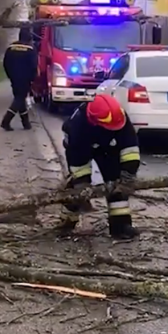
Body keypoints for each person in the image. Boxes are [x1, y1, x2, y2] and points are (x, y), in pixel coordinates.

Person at [58, 93, 141, 240]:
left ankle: (121, 226)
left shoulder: (120, 117)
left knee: (116, 182)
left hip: (108, 147)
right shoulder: (77, 126)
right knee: (77, 188)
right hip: (82, 147)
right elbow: (77, 160)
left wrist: (129, 175)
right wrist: (82, 184)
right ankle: (67, 223)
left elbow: (130, 149)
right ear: (95, 120)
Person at [0, 27, 38, 131]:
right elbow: (34, 65)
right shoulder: (31, 49)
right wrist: (32, 78)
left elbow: (5, 63)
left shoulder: (11, 47)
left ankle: (26, 123)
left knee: (19, 98)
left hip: (14, 77)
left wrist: (10, 75)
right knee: (20, 98)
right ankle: (6, 121)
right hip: (25, 78)